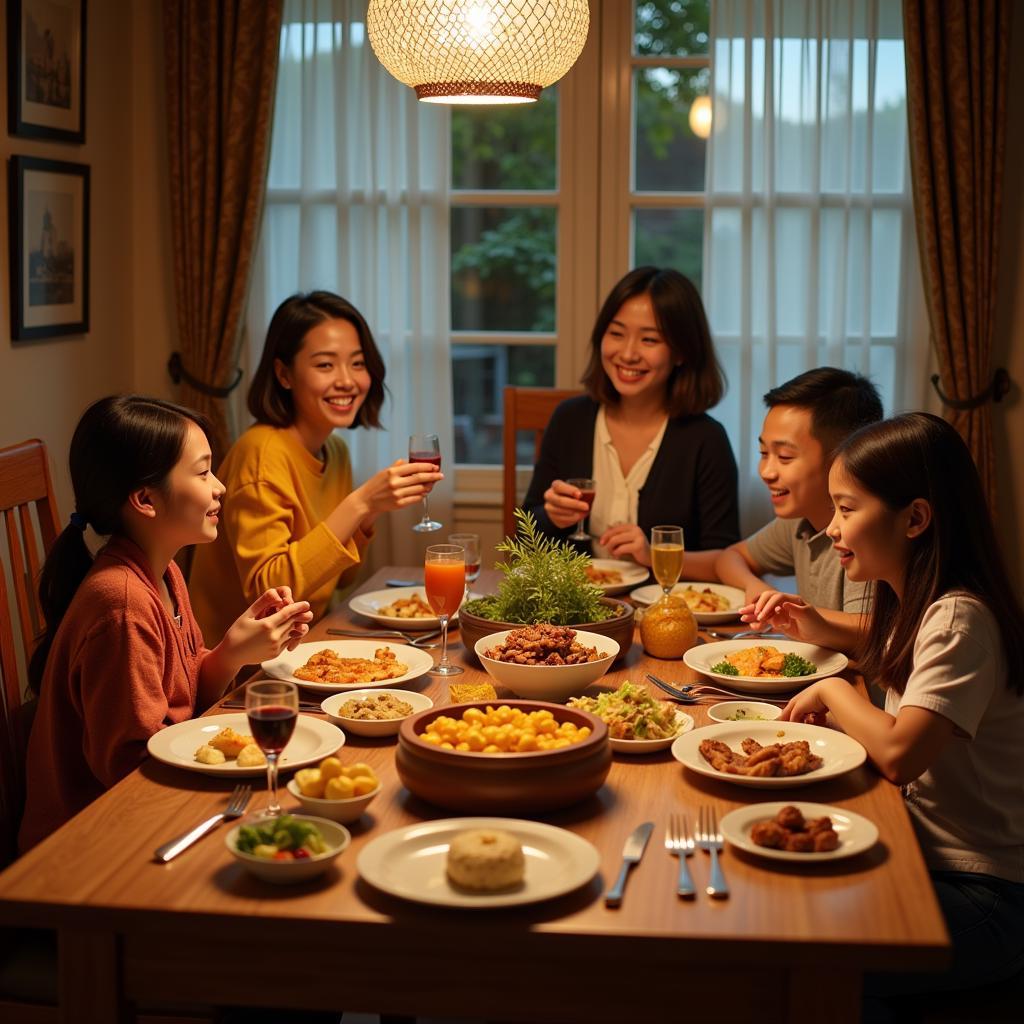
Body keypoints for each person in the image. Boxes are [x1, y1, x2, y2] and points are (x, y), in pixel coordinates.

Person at [776, 413, 1024, 1009]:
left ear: (914, 518)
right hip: (925, 856)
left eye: (847, 509)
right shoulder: (912, 601)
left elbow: (898, 754)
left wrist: (833, 692)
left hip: (985, 892)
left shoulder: (960, 617)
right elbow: (874, 650)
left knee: (810, 948)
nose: (832, 529)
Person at [19, 396, 313, 851]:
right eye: (202, 473)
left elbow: (176, 698)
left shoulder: (165, 572)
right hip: (91, 844)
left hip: (150, 809)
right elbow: (128, 766)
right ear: (144, 499)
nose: (220, 487)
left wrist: (232, 652)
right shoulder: (120, 603)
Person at [189, 291, 442, 641]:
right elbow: (270, 594)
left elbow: (341, 578)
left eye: (357, 363)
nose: (347, 381)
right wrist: (360, 502)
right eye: (325, 365)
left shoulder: (334, 451)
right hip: (241, 671)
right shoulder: (261, 454)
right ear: (284, 374)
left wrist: (368, 514)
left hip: (305, 644)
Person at [521, 266, 739, 571]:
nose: (628, 354)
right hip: (574, 610)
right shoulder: (570, 419)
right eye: (616, 334)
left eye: (649, 340)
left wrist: (654, 554)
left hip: (663, 609)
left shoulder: (706, 439)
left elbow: (728, 559)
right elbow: (522, 539)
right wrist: (551, 517)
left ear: (681, 352)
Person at [713, 367, 883, 633]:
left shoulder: (866, 530)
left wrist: (795, 612)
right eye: (763, 452)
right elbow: (729, 558)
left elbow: (873, 629)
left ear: (844, 459)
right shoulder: (800, 521)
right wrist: (756, 587)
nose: (766, 472)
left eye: (784, 457)